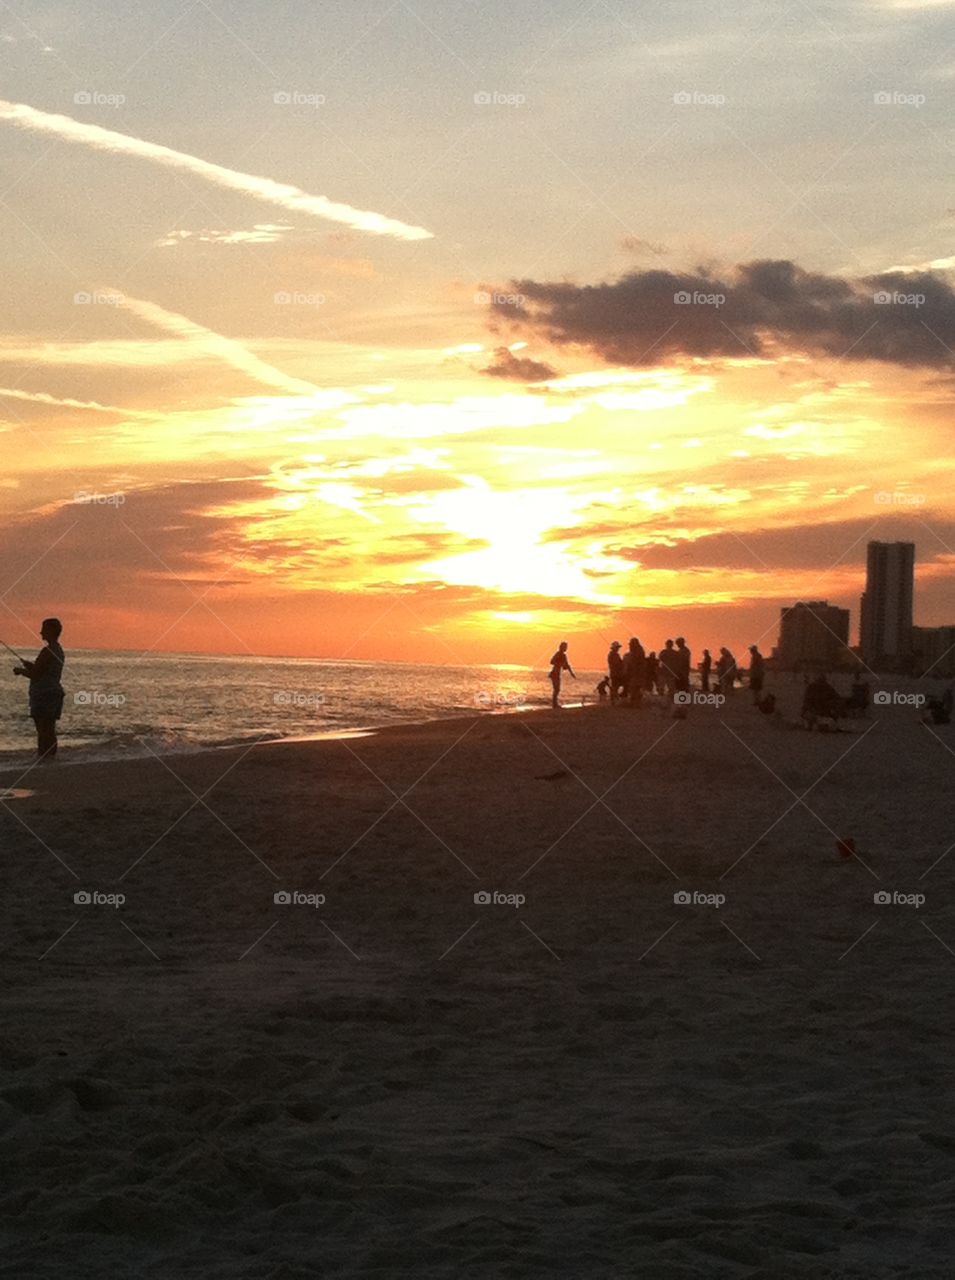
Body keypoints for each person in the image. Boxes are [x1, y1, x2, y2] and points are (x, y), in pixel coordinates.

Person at [13, 617, 66, 760]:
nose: (41, 632)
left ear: (51, 631)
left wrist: (20, 671)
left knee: (43, 730)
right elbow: (43, 670)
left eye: (44, 629)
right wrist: (29, 665)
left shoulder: (48, 651)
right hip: (54, 692)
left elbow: (36, 675)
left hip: (44, 694)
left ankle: (43, 757)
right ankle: (50, 757)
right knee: (49, 729)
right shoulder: (58, 650)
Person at [548, 641, 576, 709]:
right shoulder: (558, 654)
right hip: (554, 673)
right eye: (565, 647)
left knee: (557, 689)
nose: (566, 648)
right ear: (561, 647)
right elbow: (551, 661)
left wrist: (572, 673)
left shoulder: (564, 655)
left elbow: (567, 665)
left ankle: (555, 703)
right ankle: (554, 704)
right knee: (556, 689)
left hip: (558, 674)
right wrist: (559, 663)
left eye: (566, 647)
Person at [622, 637, 646, 707]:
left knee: (634, 687)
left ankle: (634, 703)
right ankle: (636, 702)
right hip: (638, 673)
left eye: (631, 644)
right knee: (636, 688)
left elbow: (633, 663)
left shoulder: (637, 652)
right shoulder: (640, 651)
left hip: (636, 673)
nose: (630, 646)